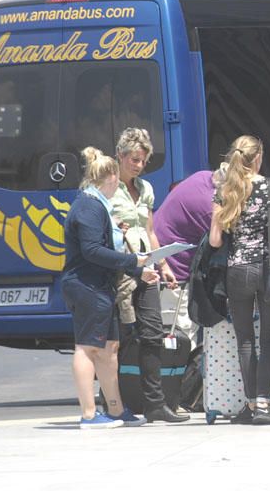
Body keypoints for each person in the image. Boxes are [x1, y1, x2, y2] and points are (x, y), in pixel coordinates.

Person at [62, 147, 155, 429]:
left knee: (109, 347)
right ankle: (89, 415)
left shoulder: (97, 204)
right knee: (87, 348)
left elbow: (103, 249)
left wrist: (139, 270)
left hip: (99, 285)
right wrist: (132, 259)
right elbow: (91, 250)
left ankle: (116, 410)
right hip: (87, 285)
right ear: (111, 178)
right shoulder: (90, 206)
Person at [209, 135, 270, 425]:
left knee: (245, 339)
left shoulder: (225, 190)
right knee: (269, 338)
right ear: (257, 158)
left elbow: (215, 240)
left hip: (238, 269)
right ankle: (263, 404)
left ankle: (248, 404)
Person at [109, 128, 188, 423]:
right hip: (122, 270)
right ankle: (113, 401)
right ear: (120, 155)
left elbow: (151, 231)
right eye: (134, 159)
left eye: (143, 161)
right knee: (120, 337)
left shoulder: (145, 190)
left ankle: (155, 403)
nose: (138, 166)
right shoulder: (107, 188)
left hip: (147, 269)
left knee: (153, 332)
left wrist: (165, 266)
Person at [153, 165, 227, 341]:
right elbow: (218, 243)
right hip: (173, 271)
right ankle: (179, 367)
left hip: (158, 256)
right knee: (180, 333)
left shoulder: (202, 176)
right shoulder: (209, 207)